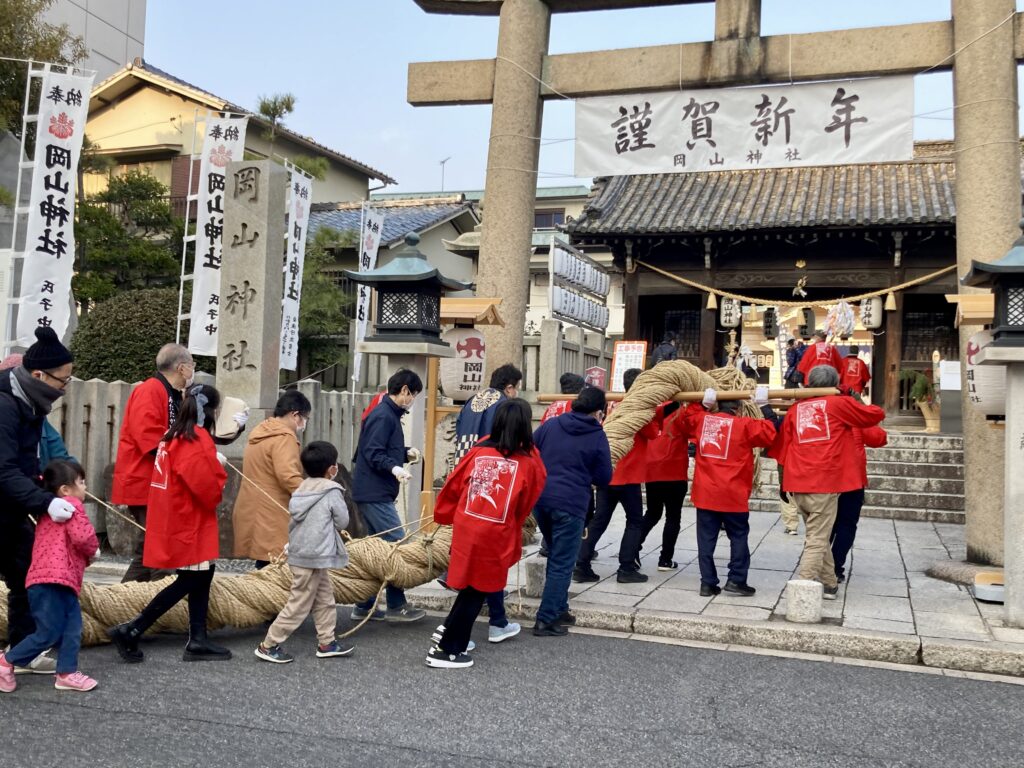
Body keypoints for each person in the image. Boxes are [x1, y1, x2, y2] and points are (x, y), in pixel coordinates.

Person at [107, 384, 232, 663]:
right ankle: (133, 628)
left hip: (174, 512)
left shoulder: (172, 435)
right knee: (192, 577)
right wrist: (218, 469)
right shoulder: (194, 438)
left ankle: (197, 639)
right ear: (212, 410)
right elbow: (205, 487)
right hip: (190, 517)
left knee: (201, 575)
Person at [427, 399, 546, 668]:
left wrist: (445, 515)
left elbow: (453, 485)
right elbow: (526, 503)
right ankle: (448, 650)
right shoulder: (528, 462)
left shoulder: (479, 451)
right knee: (478, 589)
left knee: (469, 586)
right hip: (495, 530)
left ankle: (447, 633)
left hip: (467, 526)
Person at [0, 327, 77, 675]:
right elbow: (3, 469)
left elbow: (28, 465)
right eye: (63, 380)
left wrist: (54, 487)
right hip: (6, 497)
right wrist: (44, 503)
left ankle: (21, 652)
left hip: (12, 506)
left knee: (25, 579)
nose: (65, 387)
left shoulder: (32, 401)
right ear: (38, 375)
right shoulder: (5, 404)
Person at [112, 344, 221, 583]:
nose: (193, 371)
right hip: (144, 480)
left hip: (156, 480)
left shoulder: (171, 394)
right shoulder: (151, 390)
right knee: (162, 550)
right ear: (183, 368)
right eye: (192, 365)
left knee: (149, 550)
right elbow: (149, 439)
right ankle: (159, 607)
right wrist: (187, 455)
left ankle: (124, 604)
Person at [777, 366, 886, 599]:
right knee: (818, 538)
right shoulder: (838, 404)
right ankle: (802, 590)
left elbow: (783, 448)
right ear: (835, 382)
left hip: (797, 481)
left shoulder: (796, 409)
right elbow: (876, 415)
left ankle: (829, 584)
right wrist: (853, 397)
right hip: (824, 481)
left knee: (819, 535)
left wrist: (782, 483)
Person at [0, 460, 99, 693]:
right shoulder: (71, 506)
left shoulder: (45, 510)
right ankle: (7, 661)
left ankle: (66, 672)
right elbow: (83, 537)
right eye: (81, 482)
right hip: (57, 579)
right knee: (49, 632)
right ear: (66, 489)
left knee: (71, 627)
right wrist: (94, 551)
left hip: (44, 580)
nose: (85, 487)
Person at [255, 441, 354, 663]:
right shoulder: (332, 491)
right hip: (316, 555)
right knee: (299, 604)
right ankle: (268, 644)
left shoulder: (300, 489)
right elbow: (343, 521)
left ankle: (327, 642)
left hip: (301, 554)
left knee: (324, 599)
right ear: (332, 469)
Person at [680, 387, 776, 596]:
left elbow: (687, 418)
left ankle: (707, 582)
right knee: (738, 536)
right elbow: (770, 433)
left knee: (705, 539)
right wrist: (764, 406)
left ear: (716, 405)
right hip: (733, 492)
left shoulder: (703, 421)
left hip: (706, 491)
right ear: (739, 409)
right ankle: (736, 580)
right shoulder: (745, 424)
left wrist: (702, 404)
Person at [532, 386, 612, 636]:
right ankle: (546, 619)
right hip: (570, 503)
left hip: (541, 499)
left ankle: (559, 607)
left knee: (556, 553)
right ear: (599, 412)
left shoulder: (551, 425)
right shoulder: (597, 435)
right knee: (562, 561)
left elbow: (531, 450)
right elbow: (604, 477)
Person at [350, 369, 426, 623]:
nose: (412, 400)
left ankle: (365, 604)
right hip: (375, 492)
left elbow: (382, 448)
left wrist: (405, 453)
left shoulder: (387, 412)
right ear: (404, 390)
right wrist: (394, 467)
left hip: (371, 490)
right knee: (396, 545)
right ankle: (396, 604)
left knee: (378, 550)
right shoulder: (384, 415)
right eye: (413, 394)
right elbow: (372, 451)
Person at [574, 368, 659, 584]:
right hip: (628, 477)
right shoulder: (639, 408)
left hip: (607, 473)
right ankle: (626, 568)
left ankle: (581, 564)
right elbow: (653, 433)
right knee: (634, 522)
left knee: (599, 521)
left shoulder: (611, 405)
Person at [232, 390, 310, 567]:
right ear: (295, 415)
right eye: (305, 418)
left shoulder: (261, 431)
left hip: (251, 507)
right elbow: (288, 476)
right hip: (273, 512)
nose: (304, 424)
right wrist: (312, 494)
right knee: (276, 568)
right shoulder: (284, 437)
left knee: (264, 563)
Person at [830, 412, 887, 583]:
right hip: (852, 478)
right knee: (846, 525)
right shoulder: (852, 414)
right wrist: (861, 410)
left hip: (824, 477)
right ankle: (834, 567)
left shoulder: (815, 410)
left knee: (822, 525)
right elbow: (878, 438)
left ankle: (819, 565)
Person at [0, 354, 74, 468]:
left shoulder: (37, 412)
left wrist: (73, 477)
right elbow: (6, 469)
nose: (63, 388)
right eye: (63, 380)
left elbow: (58, 451)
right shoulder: (6, 408)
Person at [639, 399, 688, 571]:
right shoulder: (681, 410)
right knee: (673, 517)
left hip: (652, 470)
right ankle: (665, 560)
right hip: (674, 470)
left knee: (652, 513)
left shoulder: (650, 407)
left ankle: (632, 551)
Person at [452, 363, 522, 464]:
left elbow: (458, 428)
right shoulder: (505, 404)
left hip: (464, 458)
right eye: (516, 388)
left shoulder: (472, 399)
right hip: (489, 459)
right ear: (509, 388)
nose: (516, 392)